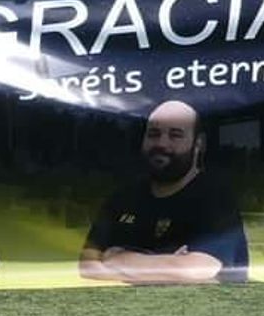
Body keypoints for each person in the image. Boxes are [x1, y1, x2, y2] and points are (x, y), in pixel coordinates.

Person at [79, 101, 247, 284]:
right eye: (153, 134)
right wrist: (167, 269)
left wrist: (118, 258)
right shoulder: (122, 198)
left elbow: (196, 270)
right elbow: (87, 266)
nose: (161, 143)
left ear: (198, 143)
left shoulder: (215, 198)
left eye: (175, 135)